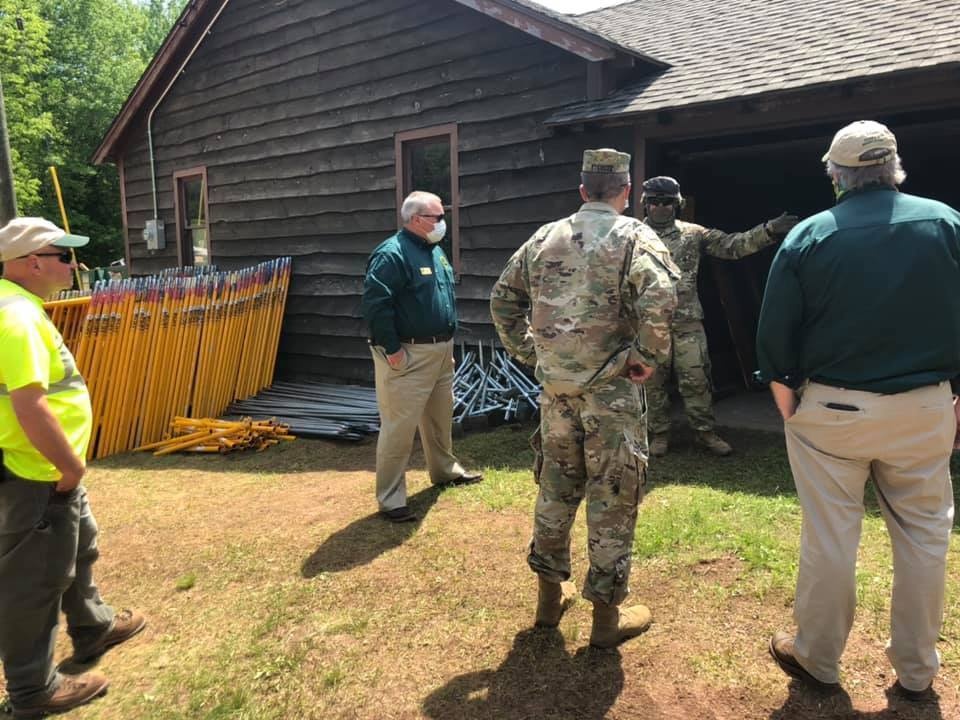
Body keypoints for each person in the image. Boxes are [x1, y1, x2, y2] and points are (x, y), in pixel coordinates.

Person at [757, 121, 960, 699]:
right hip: (925, 406)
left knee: (830, 536)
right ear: (895, 166)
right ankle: (918, 671)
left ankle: (818, 659)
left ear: (836, 175)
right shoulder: (947, 223)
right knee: (925, 538)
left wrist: (786, 399)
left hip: (833, 411)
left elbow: (775, 333)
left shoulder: (811, 235)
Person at [490, 149, 679, 648]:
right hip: (611, 395)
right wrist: (647, 357)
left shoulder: (542, 237)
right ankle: (605, 621)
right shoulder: (635, 235)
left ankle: (550, 600)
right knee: (613, 497)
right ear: (625, 191)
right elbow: (661, 299)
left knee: (555, 488)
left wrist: (533, 355)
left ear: (581, 190)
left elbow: (502, 300)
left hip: (557, 393)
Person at [0, 217, 147, 718]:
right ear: (32, 262)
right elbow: (30, 407)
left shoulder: (19, 306)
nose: (75, 264)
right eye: (64, 256)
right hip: (36, 472)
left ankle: (93, 626)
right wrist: (69, 468)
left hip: (48, 470)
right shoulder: (15, 317)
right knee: (34, 581)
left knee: (80, 545)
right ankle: (32, 689)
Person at [641, 176, 798, 457]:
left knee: (696, 379)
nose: (660, 208)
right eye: (654, 202)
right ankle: (659, 435)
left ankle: (705, 433)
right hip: (649, 326)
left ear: (677, 204)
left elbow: (732, 246)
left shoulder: (693, 234)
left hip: (687, 323)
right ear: (645, 204)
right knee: (653, 383)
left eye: (666, 202)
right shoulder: (632, 235)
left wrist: (769, 230)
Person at [360, 191, 482, 523]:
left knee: (439, 417)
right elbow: (375, 305)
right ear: (416, 220)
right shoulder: (392, 255)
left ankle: (445, 470)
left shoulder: (434, 250)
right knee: (399, 427)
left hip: (440, 351)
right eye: (437, 217)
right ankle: (391, 499)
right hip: (407, 353)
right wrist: (393, 350)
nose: (443, 223)